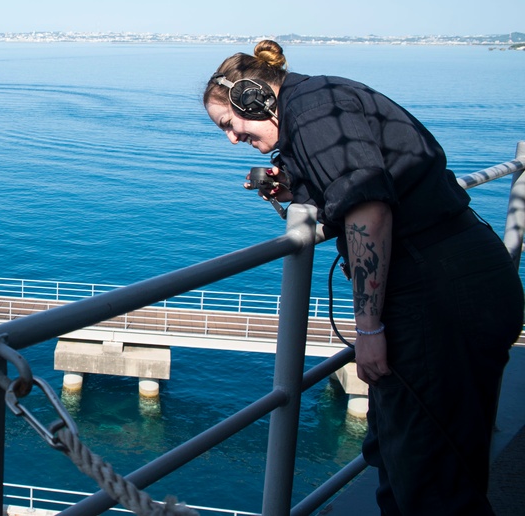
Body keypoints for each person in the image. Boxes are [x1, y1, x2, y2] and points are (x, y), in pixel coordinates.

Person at [202, 39, 523, 515]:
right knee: (429, 451)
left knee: (426, 470)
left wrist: (369, 330)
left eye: (230, 124)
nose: (231, 138)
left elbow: (369, 208)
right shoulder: (321, 102)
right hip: (463, 272)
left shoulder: (310, 114)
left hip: (434, 288)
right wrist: (293, 186)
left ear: (253, 98)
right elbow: (361, 176)